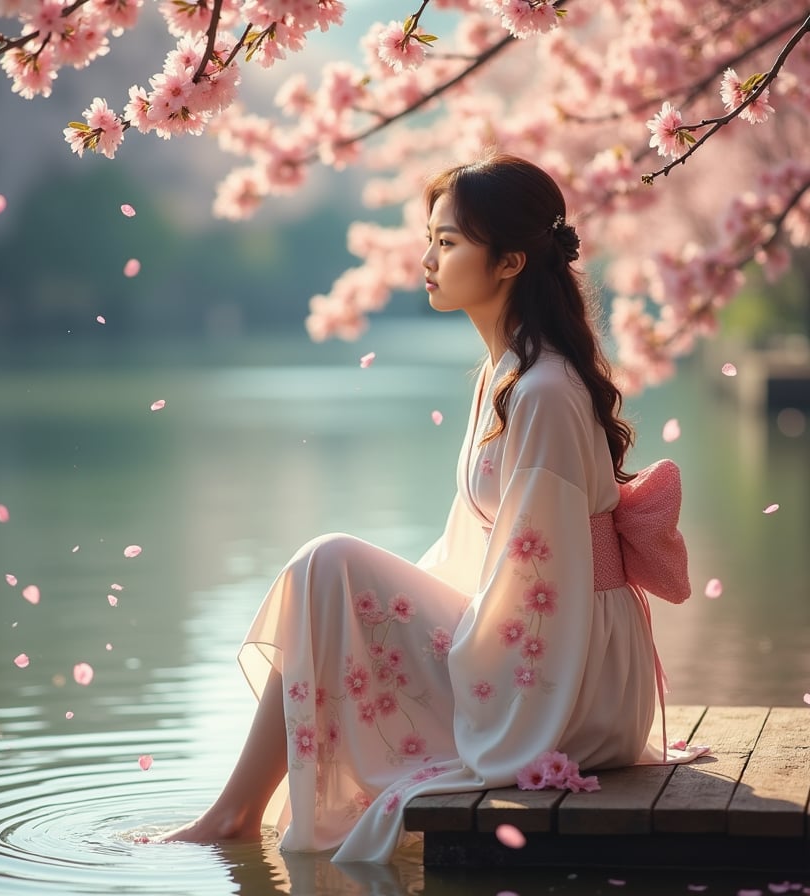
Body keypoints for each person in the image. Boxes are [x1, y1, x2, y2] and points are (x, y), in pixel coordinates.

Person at [161, 153, 706, 863]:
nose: (426, 259)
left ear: (509, 261)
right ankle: (234, 811)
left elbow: (542, 583)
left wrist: (409, 631)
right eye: (431, 239)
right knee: (327, 588)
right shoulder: (505, 373)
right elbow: (471, 553)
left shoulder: (540, 391)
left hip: (573, 681)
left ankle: (233, 813)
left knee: (326, 565)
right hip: (549, 642)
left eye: (447, 244)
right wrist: (387, 621)